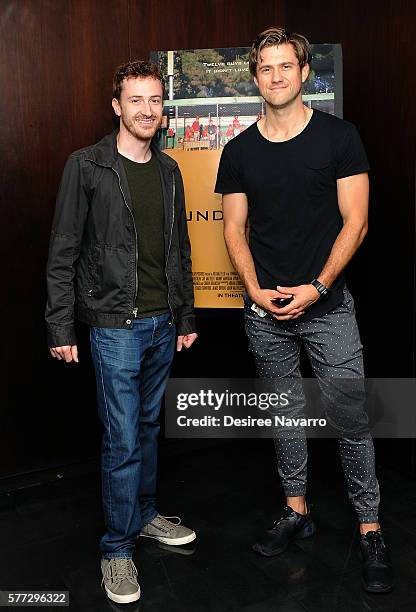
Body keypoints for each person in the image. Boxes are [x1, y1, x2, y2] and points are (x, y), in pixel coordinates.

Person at [215, 27, 394, 593]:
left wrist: (317, 288)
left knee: (351, 420)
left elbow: (356, 223)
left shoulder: (339, 137)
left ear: (304, 72)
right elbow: (234, 230)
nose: (275, 77)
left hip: (329, 306)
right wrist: (255, 292)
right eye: (264, 68)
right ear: (255, 77)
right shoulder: (239, 150)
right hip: (265, 310)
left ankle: (370, 529)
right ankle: (297, 510)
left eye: (284, 67)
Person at [46, 60, 198, 604]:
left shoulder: (170, 171)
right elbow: (63, 249)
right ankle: (116, 549)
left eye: (155, 100)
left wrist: (185, 316)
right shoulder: (86, 166)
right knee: (123, 437)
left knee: (149, 428)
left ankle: (146, 514)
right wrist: (59, 324)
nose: (147, 110)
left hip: (162, 323)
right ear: (117, 106)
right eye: (135, 100)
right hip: (115, 326)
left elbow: (178, 250)